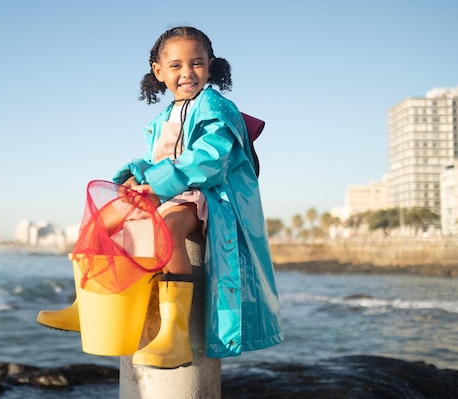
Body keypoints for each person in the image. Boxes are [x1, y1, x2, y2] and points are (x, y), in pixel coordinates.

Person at [38, 26, 283, 369]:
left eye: (197, 63)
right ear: (159, 71)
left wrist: (158, 184)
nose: (187, 73)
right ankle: (84, 306)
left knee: (166, 230)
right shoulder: (164, 117)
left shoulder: (216, 107)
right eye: (176, 66)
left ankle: (175, 335)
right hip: (170, 189)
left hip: (210, 197)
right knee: (102, 219)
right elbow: (159, 161)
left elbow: (210, 158)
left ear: (210, 66)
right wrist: (137, 177)